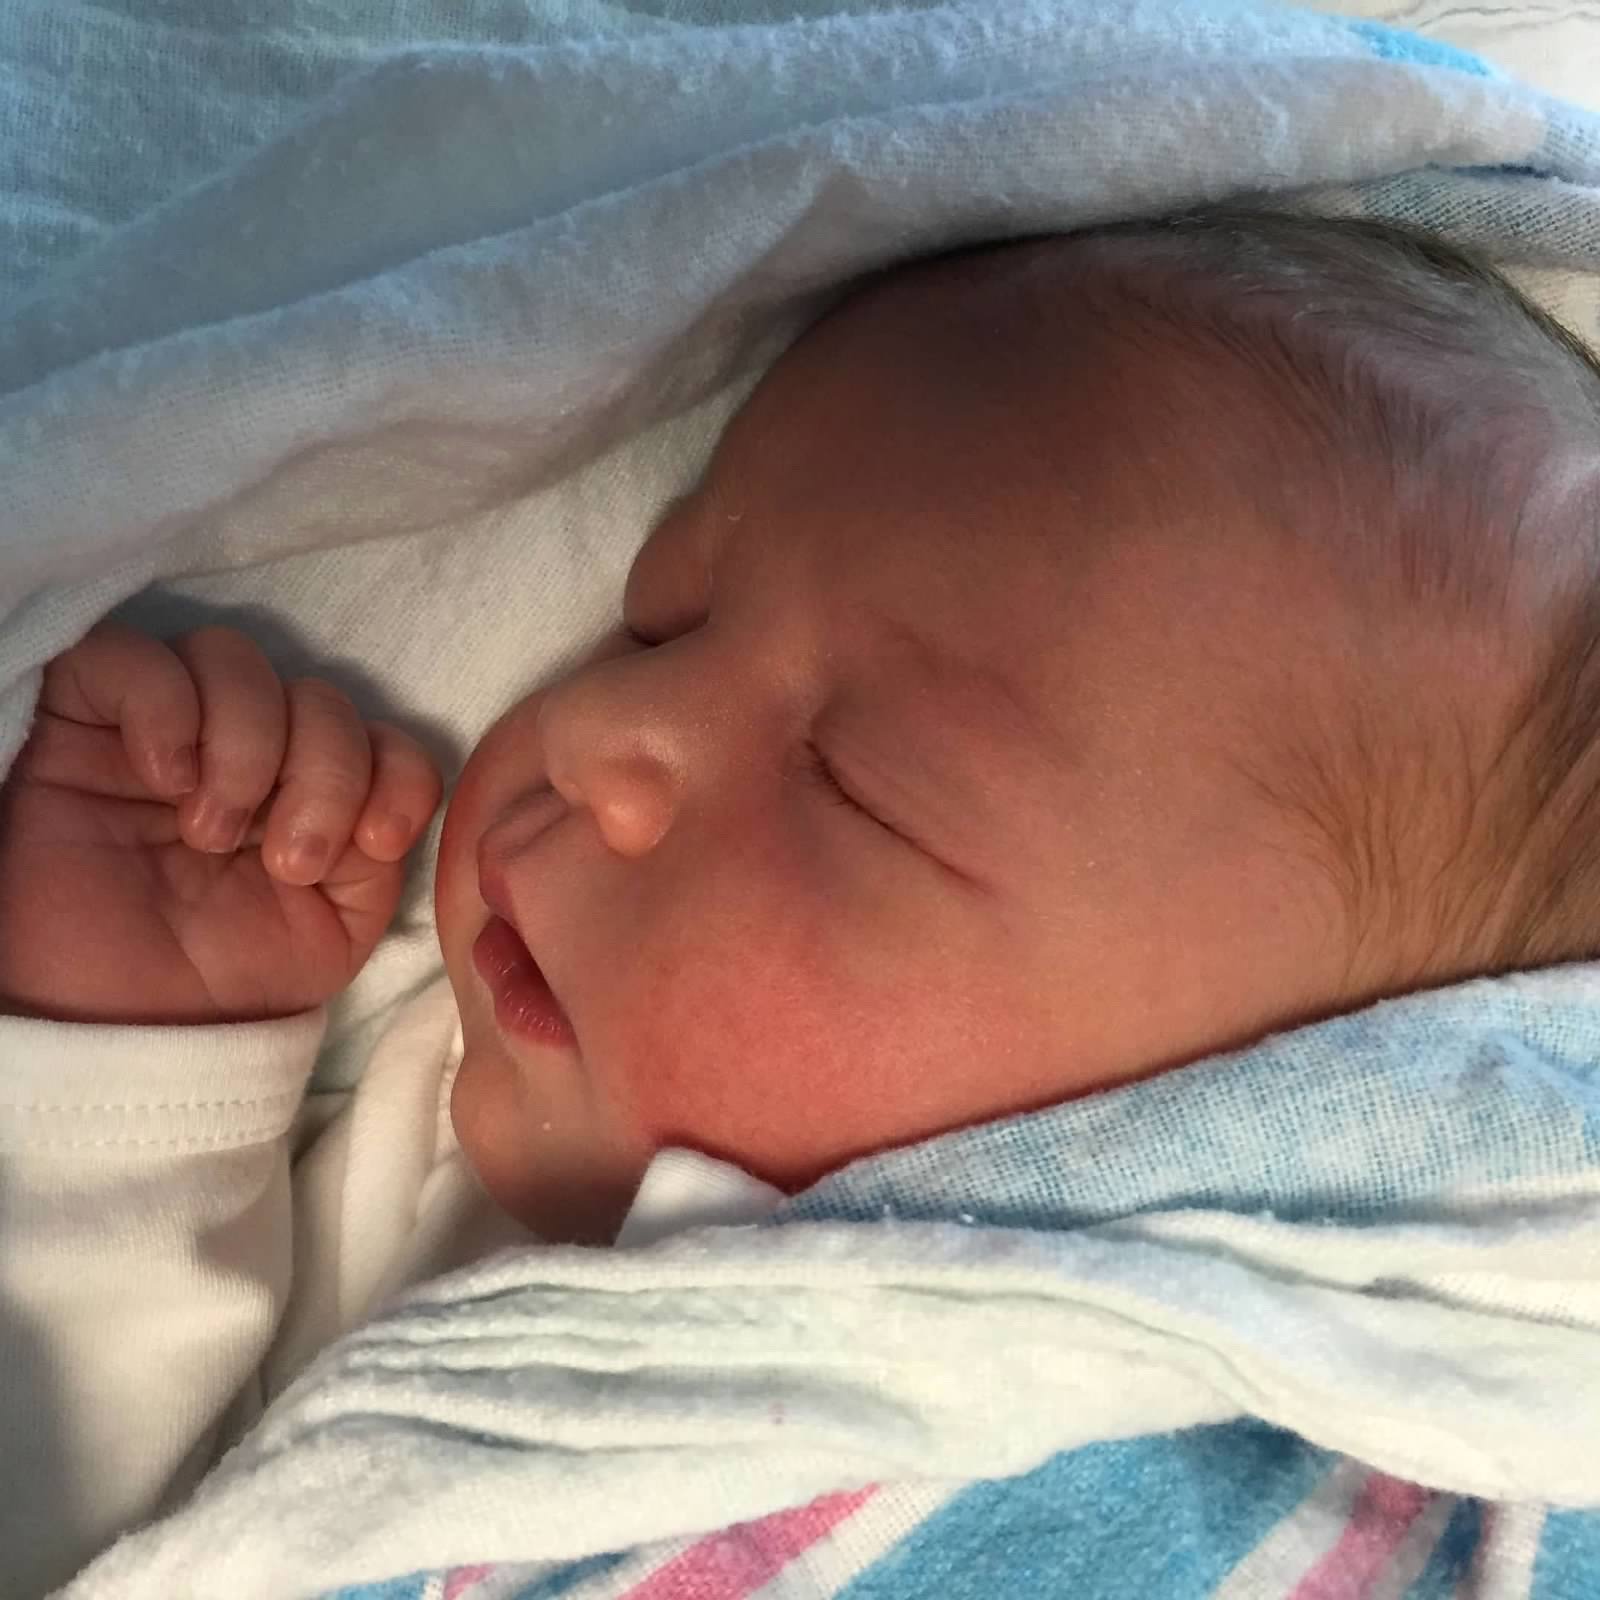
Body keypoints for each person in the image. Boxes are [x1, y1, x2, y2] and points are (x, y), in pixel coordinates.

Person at [2, 208, 1599, 1593]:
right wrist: (142, 1066)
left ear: (1266, 1119)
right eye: (661, 616)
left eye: (859, 785)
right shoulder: (447, 1164)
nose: (609, 739)